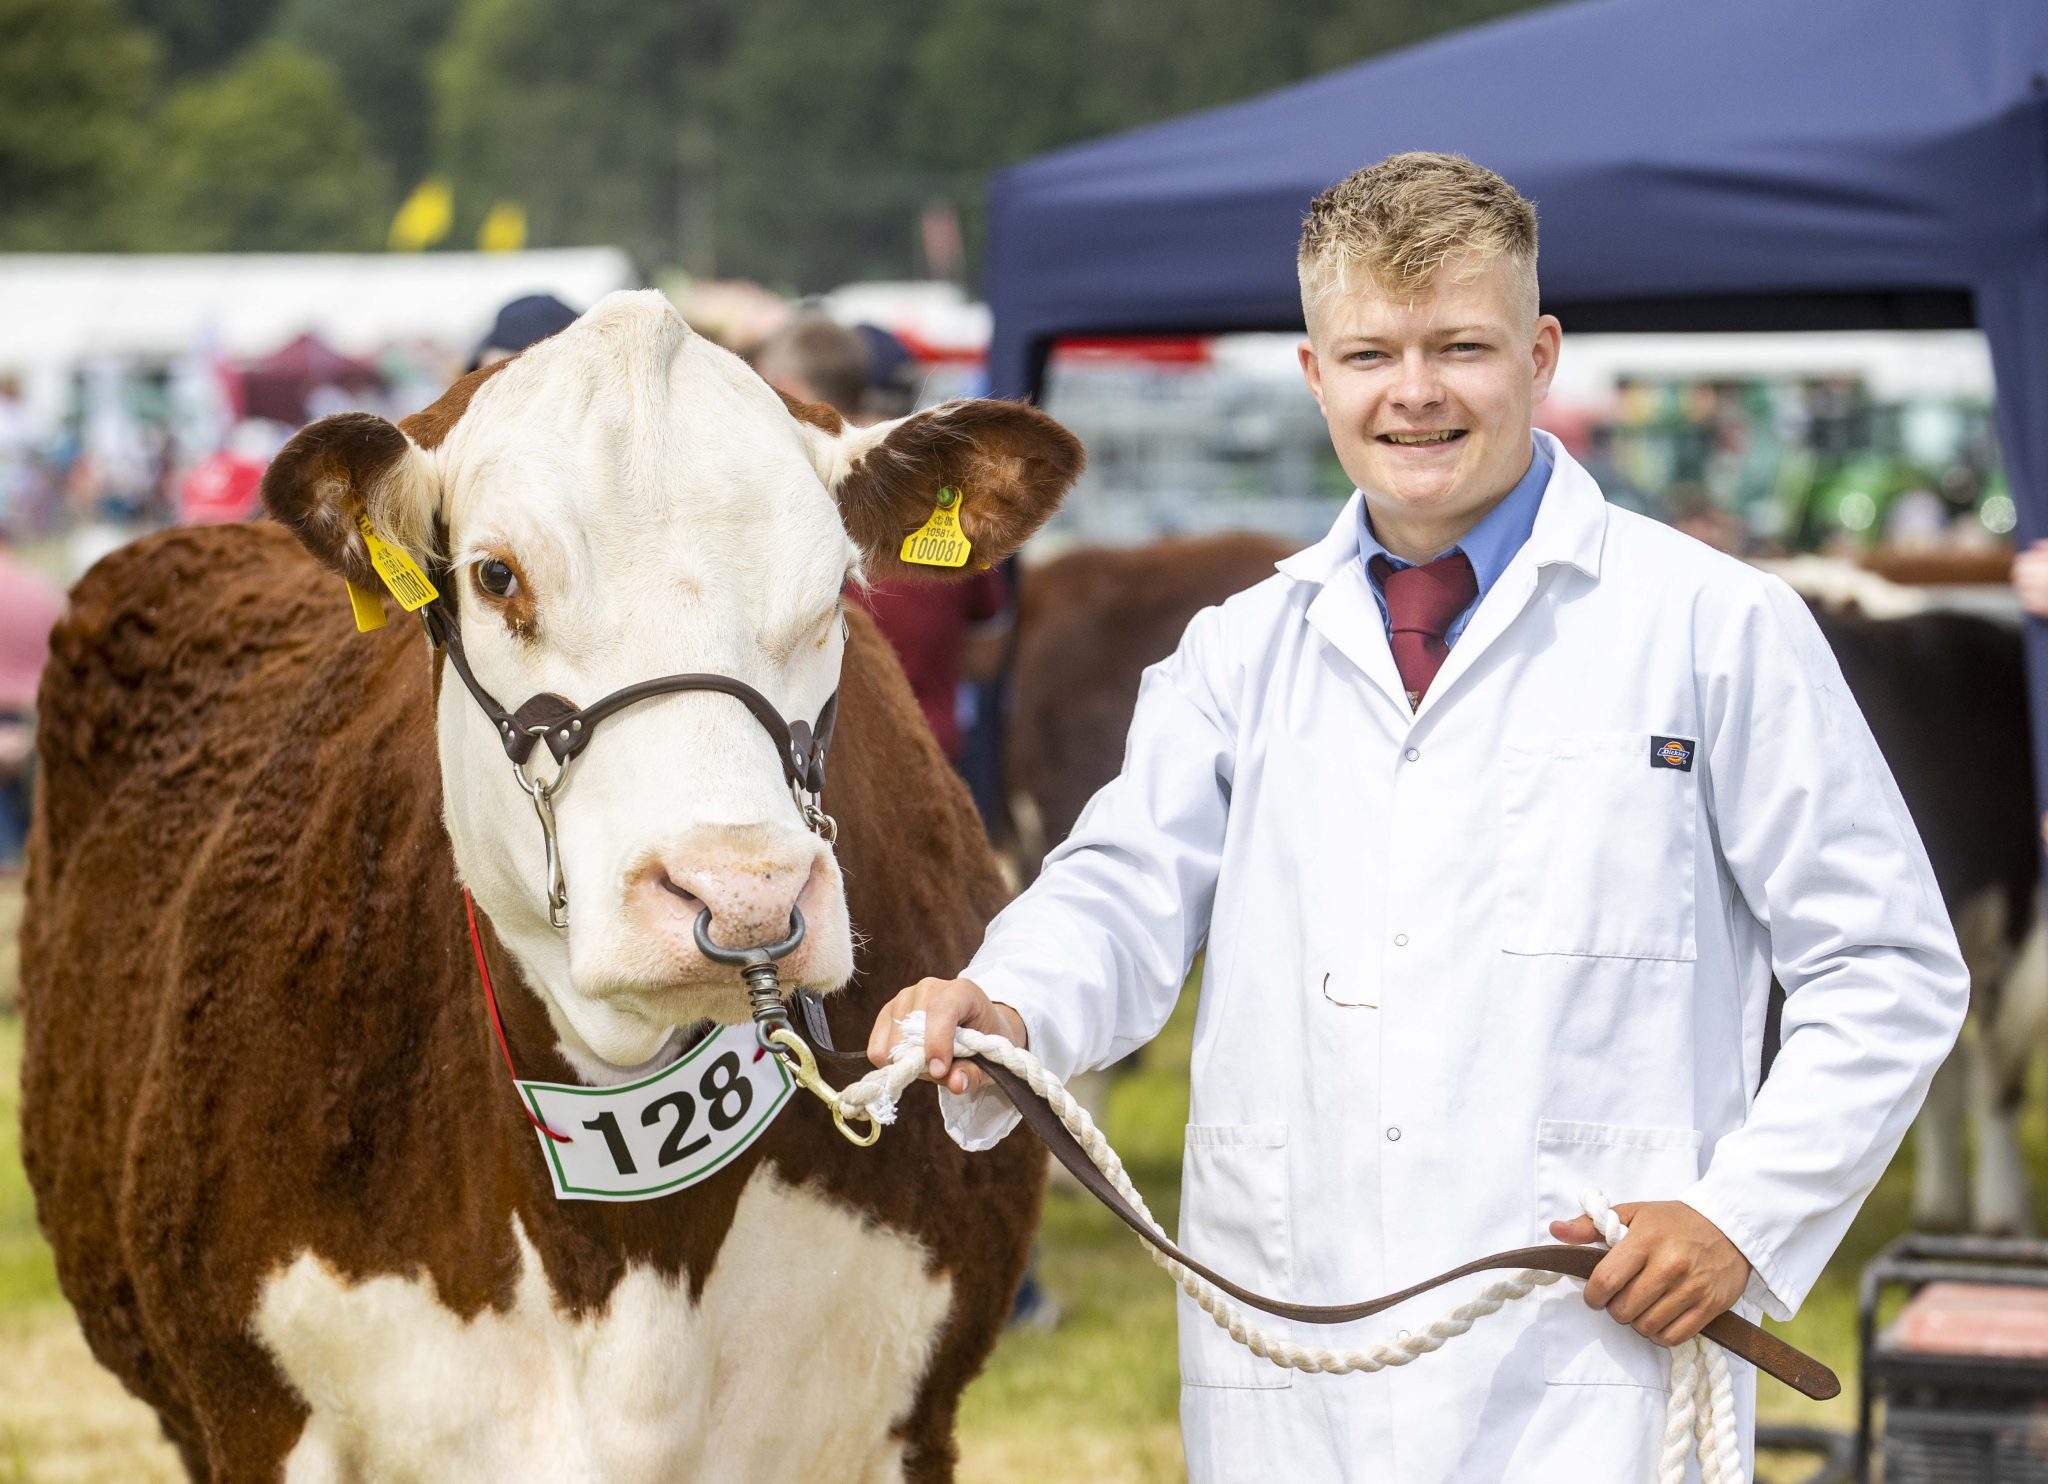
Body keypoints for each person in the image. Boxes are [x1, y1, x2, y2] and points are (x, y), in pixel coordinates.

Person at [868, 152, 1966, 1481]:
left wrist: (1743, 1214)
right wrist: (1010, 1000)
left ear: (1542, 353)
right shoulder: (1240, 652)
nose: (1416, 392)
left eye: (1462, 346)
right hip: (1299, 1374)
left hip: (1594, 1364)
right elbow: (1120, 892)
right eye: (1371, 352)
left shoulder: (1716, 628)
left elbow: (1887, 964)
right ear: (1314, 375)